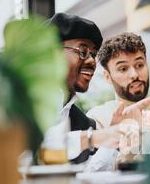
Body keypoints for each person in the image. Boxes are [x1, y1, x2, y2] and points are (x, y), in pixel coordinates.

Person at [42, 13, 121, 166]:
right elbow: (37, 148)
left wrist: (113, 138)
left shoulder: (84, 123)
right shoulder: (23, 106)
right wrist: (93, 138)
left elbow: (88, 180)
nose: (92, 61)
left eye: (93, 54)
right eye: (83, 51)